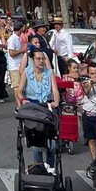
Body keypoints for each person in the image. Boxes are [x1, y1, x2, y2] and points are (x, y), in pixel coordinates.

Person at [16, 45, 60, 173]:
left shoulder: (49, 73)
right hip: (33, 107)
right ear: (33, 60)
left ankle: (51, 168)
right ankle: (39, 167)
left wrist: (55, 102)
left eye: (43, 59)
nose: (41, 61)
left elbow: (55, 91)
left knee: (51, 141)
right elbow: (19, 91)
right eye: (38, 59)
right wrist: (23, 100)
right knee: (36, 139)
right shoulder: (27, 72)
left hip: (47, 106)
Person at [79, 60, 96, 165]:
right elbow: (87, 90)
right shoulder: (86, 83)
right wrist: (91, 82)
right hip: (88, 114)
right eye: (92, 73)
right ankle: (94, 160)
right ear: (88, 74)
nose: (95, 76)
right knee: (91, 139)